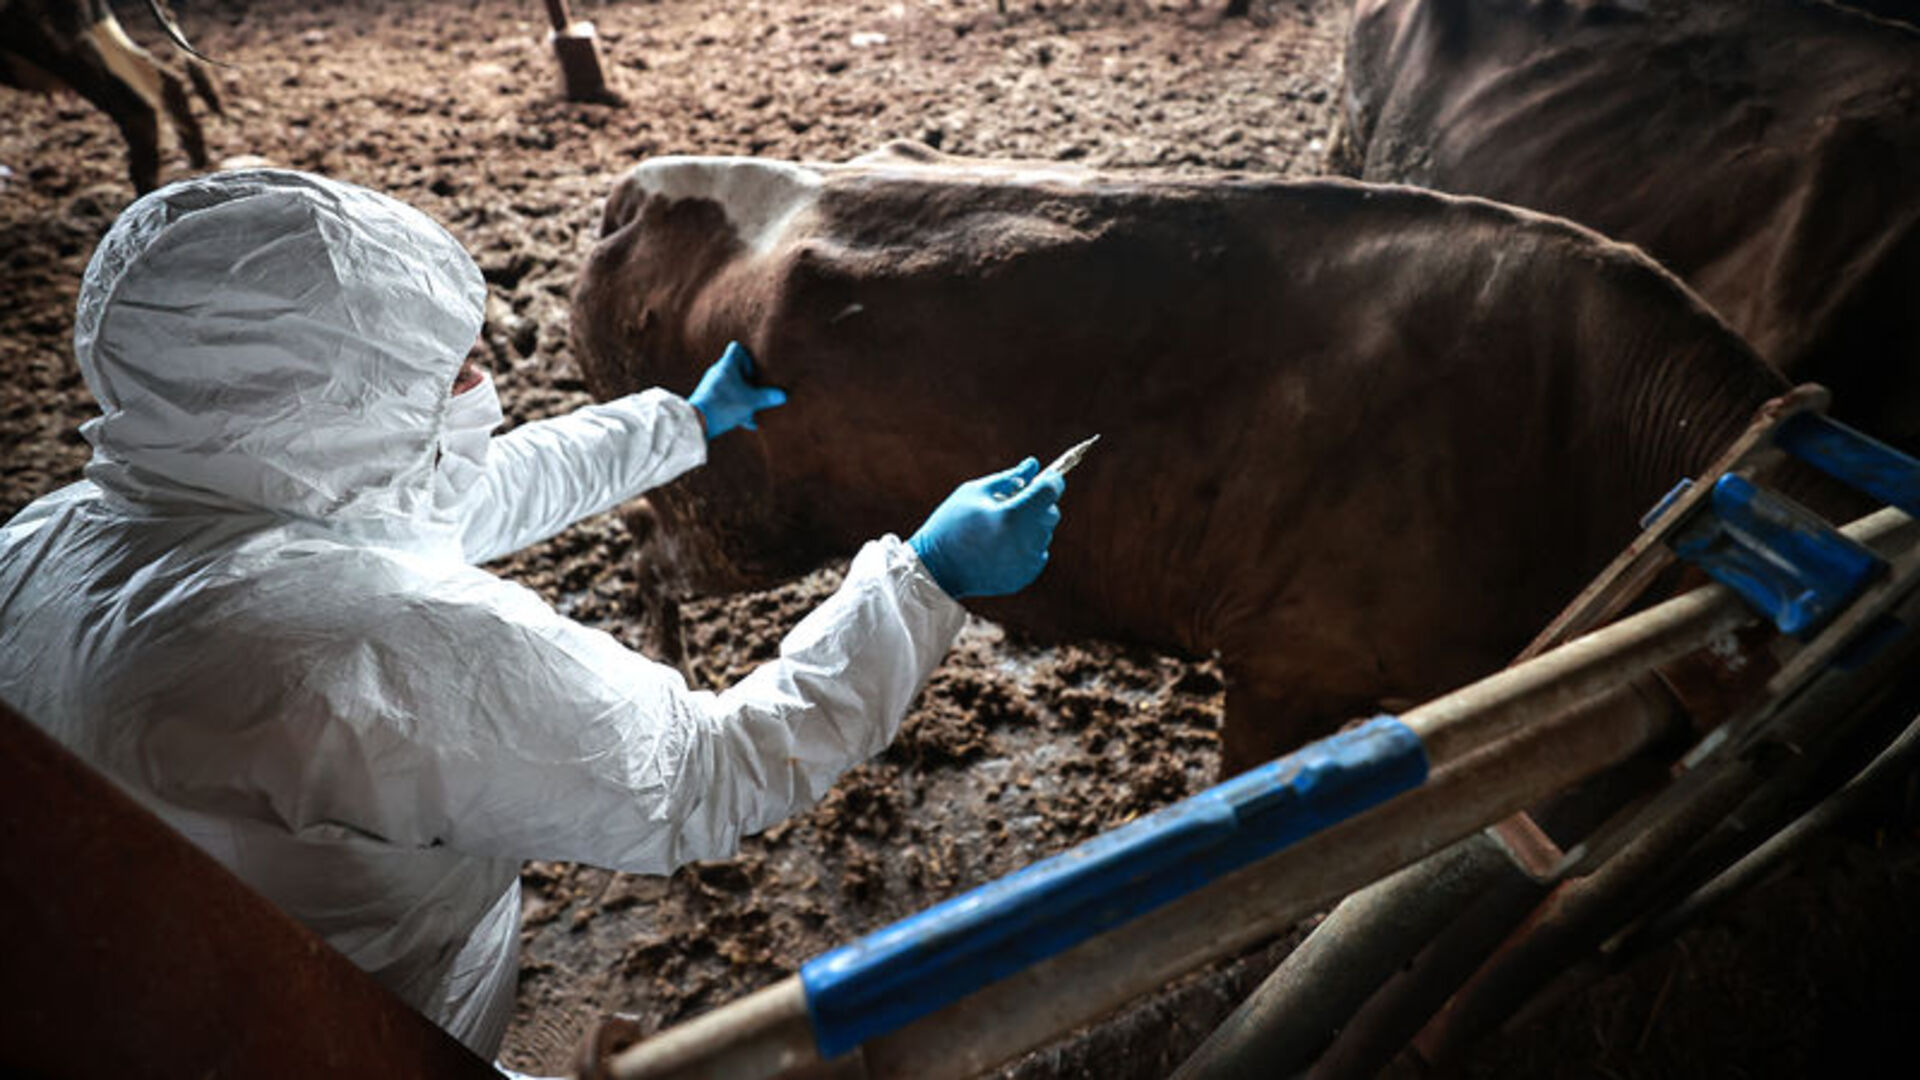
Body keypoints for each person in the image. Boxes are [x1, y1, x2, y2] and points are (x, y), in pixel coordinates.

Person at [0, 169, 1066, 1062]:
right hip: (360, 1039)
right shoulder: (361, 646)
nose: (480, 378)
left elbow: (456, 493)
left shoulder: (60, 533)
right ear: (324, 402)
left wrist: (678, 424)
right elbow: (709, 770)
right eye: (434, 369)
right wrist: (923, 582)